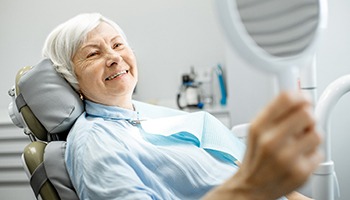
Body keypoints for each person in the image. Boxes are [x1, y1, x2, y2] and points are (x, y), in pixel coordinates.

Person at [42, 13, 322, 200]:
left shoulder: (138, 115)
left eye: (118, 44)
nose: (114, 57)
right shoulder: (95, 142)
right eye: (93, 54)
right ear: (72, 78)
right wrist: (253, 185)